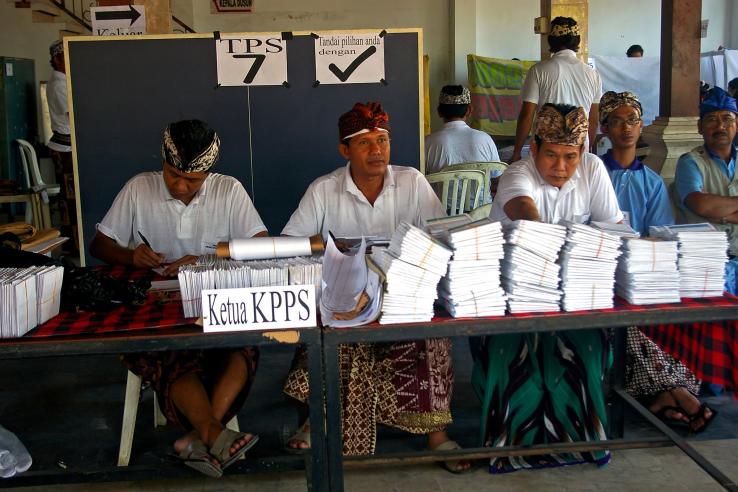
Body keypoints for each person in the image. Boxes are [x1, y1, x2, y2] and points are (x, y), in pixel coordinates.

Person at [281, 102, 470, 472]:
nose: (377, 150)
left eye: (382, 140)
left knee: (430, 336)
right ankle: (316, 420)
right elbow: (292, 245)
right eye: (365, 143)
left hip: (405, 298)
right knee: (332, 331)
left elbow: (440, 238)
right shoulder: (324, 190)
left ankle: (437, 435)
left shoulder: (412, 181)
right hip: (345, 299)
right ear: (344, 150)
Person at [90, 119, 267, 478]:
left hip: (213, 298)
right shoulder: (139, 188)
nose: (181, 186)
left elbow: (261, 246)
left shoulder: (229, 190)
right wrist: (131, 256)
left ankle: (201, 435)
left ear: (209, 173)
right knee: (168, 347)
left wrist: (207, 258)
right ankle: (213, 433)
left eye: (193, 180)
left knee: (244, 346)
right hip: (156, 302)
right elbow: (99, 245)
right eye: (173, 175)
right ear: (162, 162)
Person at [479, 103, 619, 473]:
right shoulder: (517, 173)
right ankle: (511, 444)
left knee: (583, 346)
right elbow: (524, 209)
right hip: (514, 294)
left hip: (573, 294)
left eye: (570, 157)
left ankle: (582, 439)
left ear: (582, 153)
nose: (561, 166)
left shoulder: (593, 170)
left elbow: (614, 227)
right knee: (511, 350)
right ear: (534, 150)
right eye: (552, 155)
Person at [599, 91, 714, 433]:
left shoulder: (650, 182)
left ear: (642, 125)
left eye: (632, 120)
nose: (626, 128)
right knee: (628, 327)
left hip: (642, 274)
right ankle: (674, 392)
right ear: (604, 127)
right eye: (617, 121)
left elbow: (661, 234)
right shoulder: (593, 172)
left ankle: (662, 396)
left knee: (665, 319)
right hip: (601, 276)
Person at [673, 87, 738, 296]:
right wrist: (708, 208)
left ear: (736, 125)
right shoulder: (691, 162)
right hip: (706, 264)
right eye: (711, 120)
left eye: (727, 119)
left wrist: (717, 212)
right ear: (700, 127)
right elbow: (700, 204)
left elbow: (709, 208)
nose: (720, 126)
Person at [511, 17, 602, 162]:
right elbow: (594, 119)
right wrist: (587, 150)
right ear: (577, 41)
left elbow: (527, 115)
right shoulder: (593, 75)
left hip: (546, 150)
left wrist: (516, 152)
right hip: (577, 151)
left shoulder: (538, 71)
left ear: (551, 40)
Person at [45, 40, 77, 252]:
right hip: (64, 148)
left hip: (67, 146)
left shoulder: (64, 81)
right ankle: (73, 243)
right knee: (71, 198)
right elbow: (73, 115)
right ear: (57, 59)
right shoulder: (59, 85)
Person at [425, 85, 500, 174]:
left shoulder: (427, 143)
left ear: (439, 112)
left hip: (437, 189)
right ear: (469, 111)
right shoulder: (485, 139)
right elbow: (497, 176)